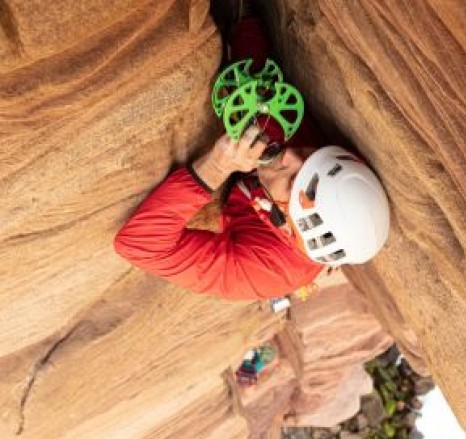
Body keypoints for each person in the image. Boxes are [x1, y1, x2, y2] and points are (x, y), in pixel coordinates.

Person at [114, 6, 389, 300]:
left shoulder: (263, 271)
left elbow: (140, 245)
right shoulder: (309, 158)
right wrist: (246, 20)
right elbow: (255, 71)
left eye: (294, 179)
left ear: (288, 221)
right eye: (311, 156)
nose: (291, 155)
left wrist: (213, 170)